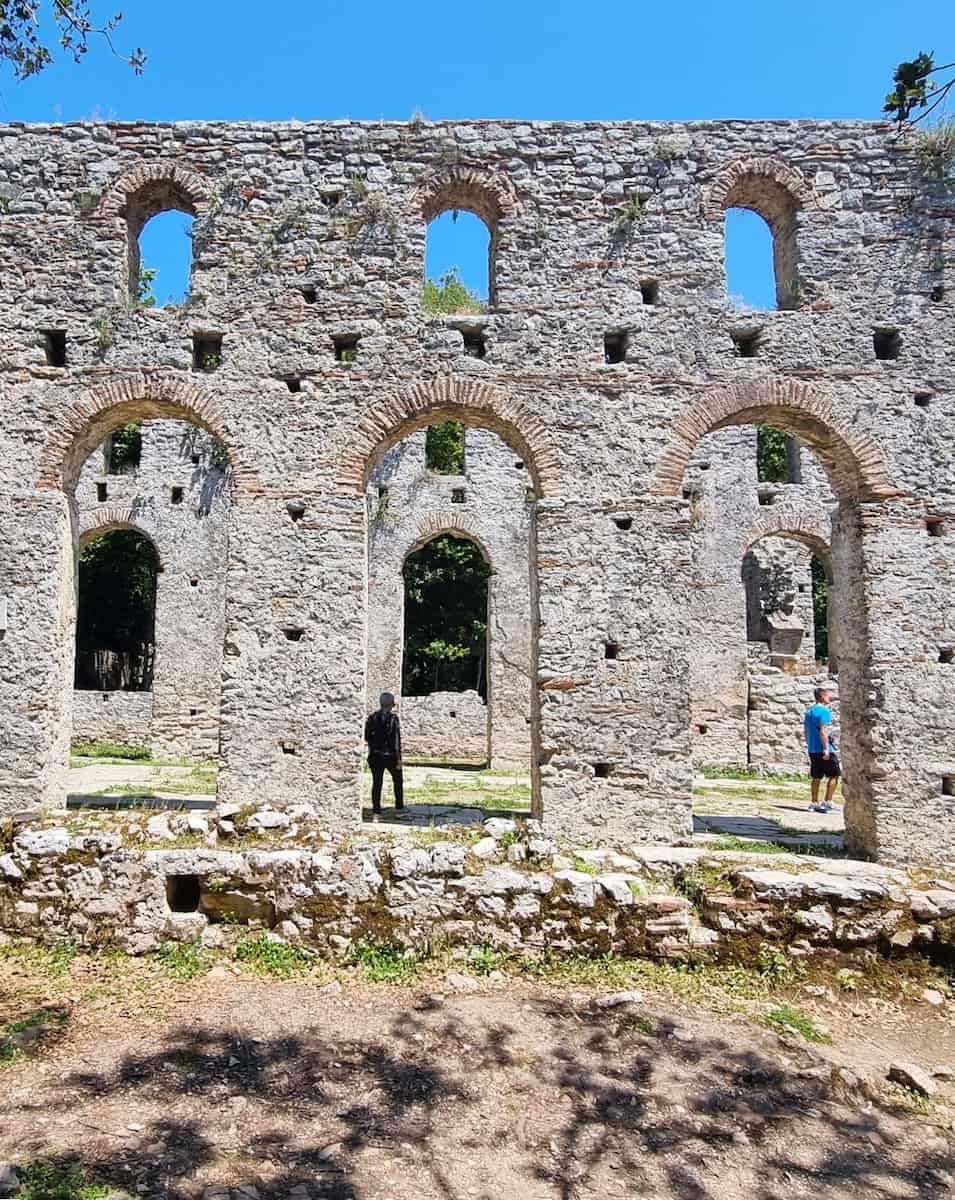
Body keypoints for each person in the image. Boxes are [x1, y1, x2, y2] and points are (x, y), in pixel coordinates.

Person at [364, 691, 404, 815]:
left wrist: (373, 747)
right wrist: (398, 759)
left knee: (377, 782)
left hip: (375, 755)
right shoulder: (393, 719)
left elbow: (367, 736)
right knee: (398, 780)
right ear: (392, 704)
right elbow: (396, 739)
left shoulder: (371, 718)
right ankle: (399, 806)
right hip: (390, 755)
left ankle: (376, 808)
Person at [804, 686, 839, 813]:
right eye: (828, 695)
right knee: (834, 774)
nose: (830, 698)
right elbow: (823, 731)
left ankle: (814, 802)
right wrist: (826, 749)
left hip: (813, 748)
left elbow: (806, 731)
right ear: (823, 696)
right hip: (823, 748)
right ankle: (828, 801)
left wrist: (809, 745)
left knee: (816, 776)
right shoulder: (824, 711)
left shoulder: (809, 711)